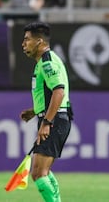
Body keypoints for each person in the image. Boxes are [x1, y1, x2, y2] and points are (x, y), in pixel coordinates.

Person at [20, 21, 73, 202]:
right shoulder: (44, 61)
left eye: (27, 40)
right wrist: (35, 111)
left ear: (39, 41)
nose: (23, 44)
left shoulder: (47, 62)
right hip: (55, 118)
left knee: (38, 173)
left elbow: (59, 91)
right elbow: (51, 94)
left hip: (54, 120)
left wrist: (47, 122)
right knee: (42, 172)